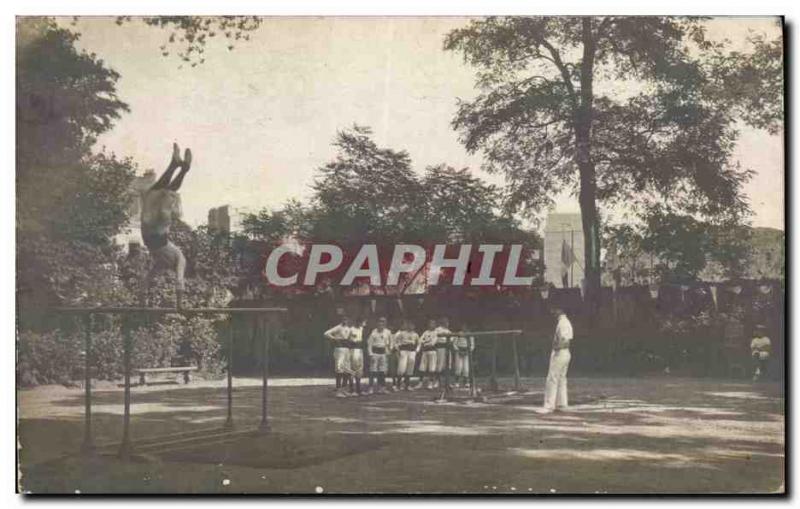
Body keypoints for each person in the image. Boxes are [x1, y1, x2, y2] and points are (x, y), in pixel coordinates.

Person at [543, 308, 573, 413]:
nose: (552, 313)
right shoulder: (564, 322)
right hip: (565, 353)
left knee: (553, 378)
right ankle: (561, 403)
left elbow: (565, 341)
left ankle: (549, 405)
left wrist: (556, 347)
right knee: (561, 378)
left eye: (554, 310)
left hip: (561, 353)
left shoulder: (563, 323)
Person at [324, 315, 354, 398]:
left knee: (347, 370)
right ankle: (338, 390)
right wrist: (334, 339)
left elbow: (350, 337)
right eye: (344, 320)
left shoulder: (349, 328)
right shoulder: (338, 327)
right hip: (339, 349)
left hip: (346, 349)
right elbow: (326, 333)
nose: (345, 321)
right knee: (339, 369)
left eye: (347, 320)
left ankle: (344, 389)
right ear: (341, 320)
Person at [367, 317, 393, 394]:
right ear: (377, 324)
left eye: (383, 323)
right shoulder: (374, 332)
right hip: (375, 352)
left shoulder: (388, 332)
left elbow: (391, 342)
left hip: (383, 353)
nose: (381, 324)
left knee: (382, 371)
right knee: (373, 371)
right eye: (380, 323)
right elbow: (369, 344)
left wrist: (390, 349)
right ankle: (370, 387)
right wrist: (370, 353)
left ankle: (382, 388)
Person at [394, 319, 421, 390]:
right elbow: (396, 342)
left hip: (412, 351)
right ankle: (398, 385)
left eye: (412, 325)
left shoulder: (416, 334)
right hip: (404, 350)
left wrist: (416, 350)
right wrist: (398, 349)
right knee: (401, 368)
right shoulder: (402, 333)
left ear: (414, 326)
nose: (410, 326)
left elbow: (418, 343)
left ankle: (407, 385)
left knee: (410, 369)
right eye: (409, 325)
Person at [417, 320, 439, 389]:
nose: (431, 325)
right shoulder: (426, 332)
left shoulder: (436, 333)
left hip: (432, 351)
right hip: (425, 351)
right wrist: (424, 343)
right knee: (422, 367)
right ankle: (420, 383)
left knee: (431, 368)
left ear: (435, 325)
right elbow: (420, 340)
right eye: (430, 323)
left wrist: (425, 343)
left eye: (433, 324)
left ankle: (431, 383)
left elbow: (433, 343)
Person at [434, 317, 453, 389]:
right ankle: (437, 382)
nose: (447, 323)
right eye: (446, 321)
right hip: (440, 348)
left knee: (448, 365)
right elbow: (435, 339)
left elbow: (451, 340)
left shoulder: (448, 331)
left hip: (447, 348)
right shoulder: (437, 330)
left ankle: (447, 382)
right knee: (439, 365)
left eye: (448, 322)